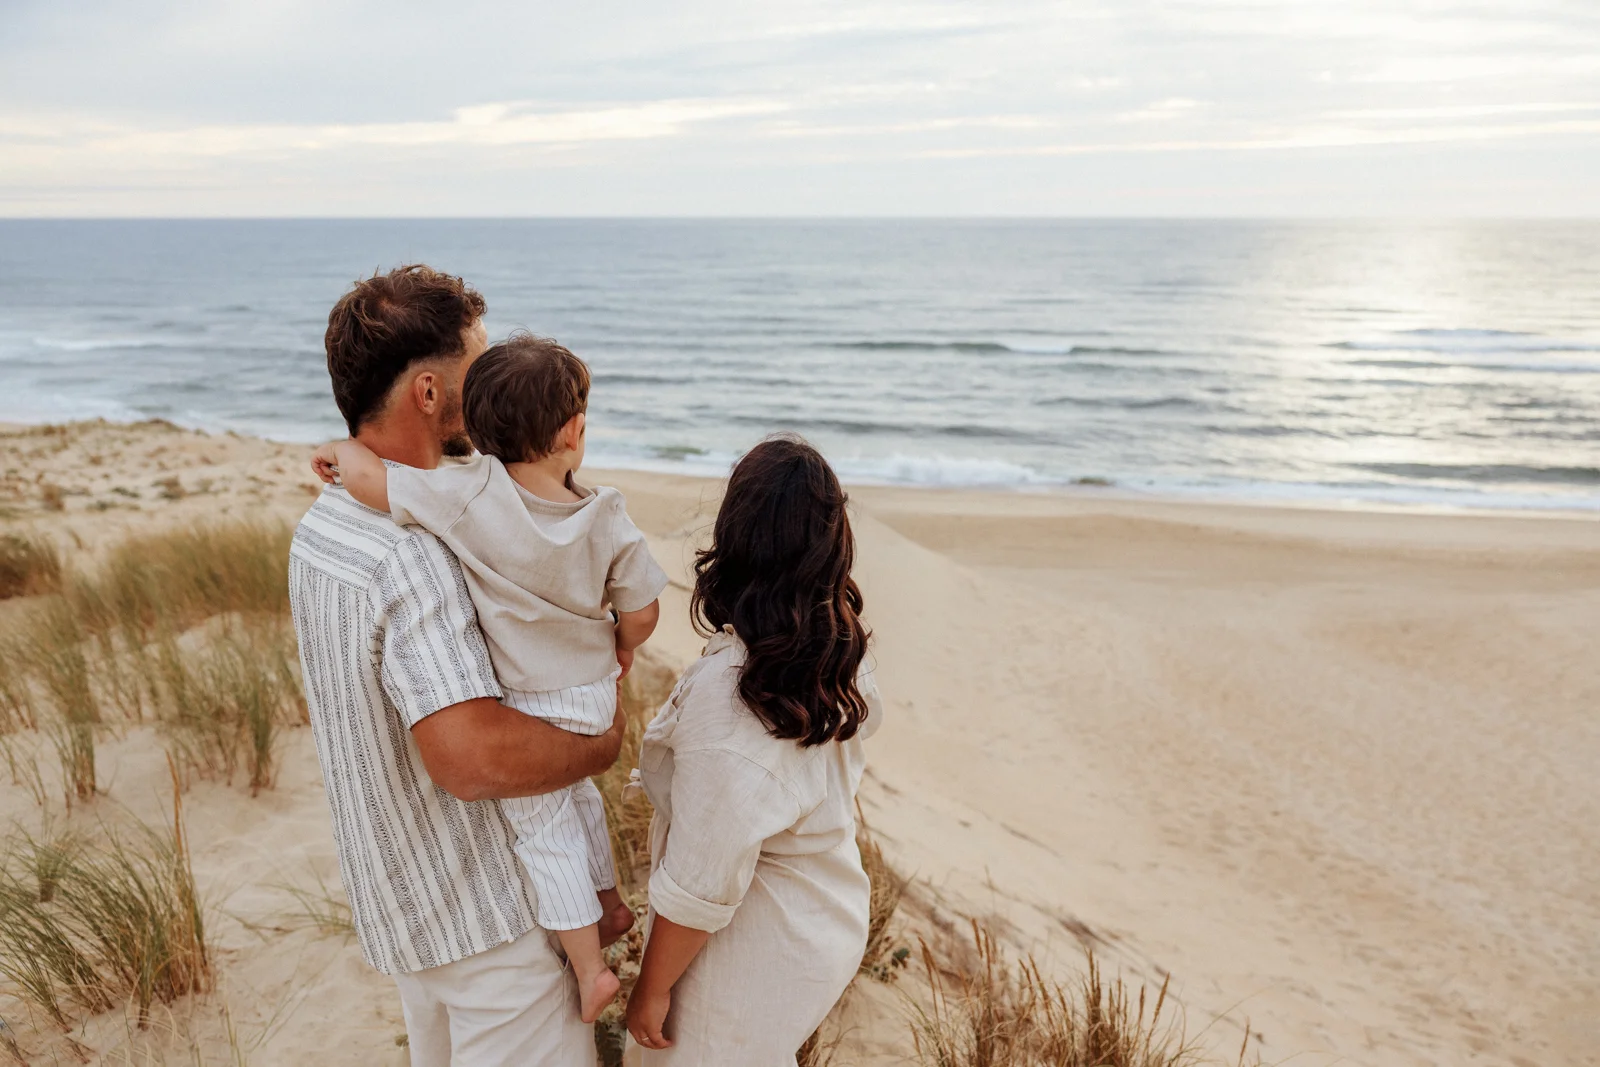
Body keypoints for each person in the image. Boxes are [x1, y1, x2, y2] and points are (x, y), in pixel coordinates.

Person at [289, 265, 623, 1067]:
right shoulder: (415, 554)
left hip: (405, 913)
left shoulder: (321, 527)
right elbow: (470, 759)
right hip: (490, 929)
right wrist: (604, 745)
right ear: (431, 393)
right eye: (480, 367)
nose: (497, 385)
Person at [623, 434, 883, 1065]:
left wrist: (650, 991)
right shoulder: (837, 645)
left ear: (736, 537)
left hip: (755, 940)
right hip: (821, 909)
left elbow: (704, 881)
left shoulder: (736, 696)